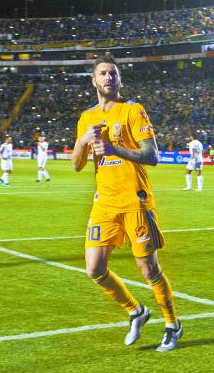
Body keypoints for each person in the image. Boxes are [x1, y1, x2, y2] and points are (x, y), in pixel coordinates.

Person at [71, 56, 183, 352]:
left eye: (113, 73)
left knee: (148, 269)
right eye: (103, 73)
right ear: (93, 81)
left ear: (119, 80)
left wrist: (113, 148)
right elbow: (76, 165)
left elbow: (152, 156)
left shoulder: (133, 111)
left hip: (136, 202)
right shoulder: (86, 118)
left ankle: (172, 324)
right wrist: (82, 142)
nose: (108, 77)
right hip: (104, 204)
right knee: (94, 270)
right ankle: (136, 311)